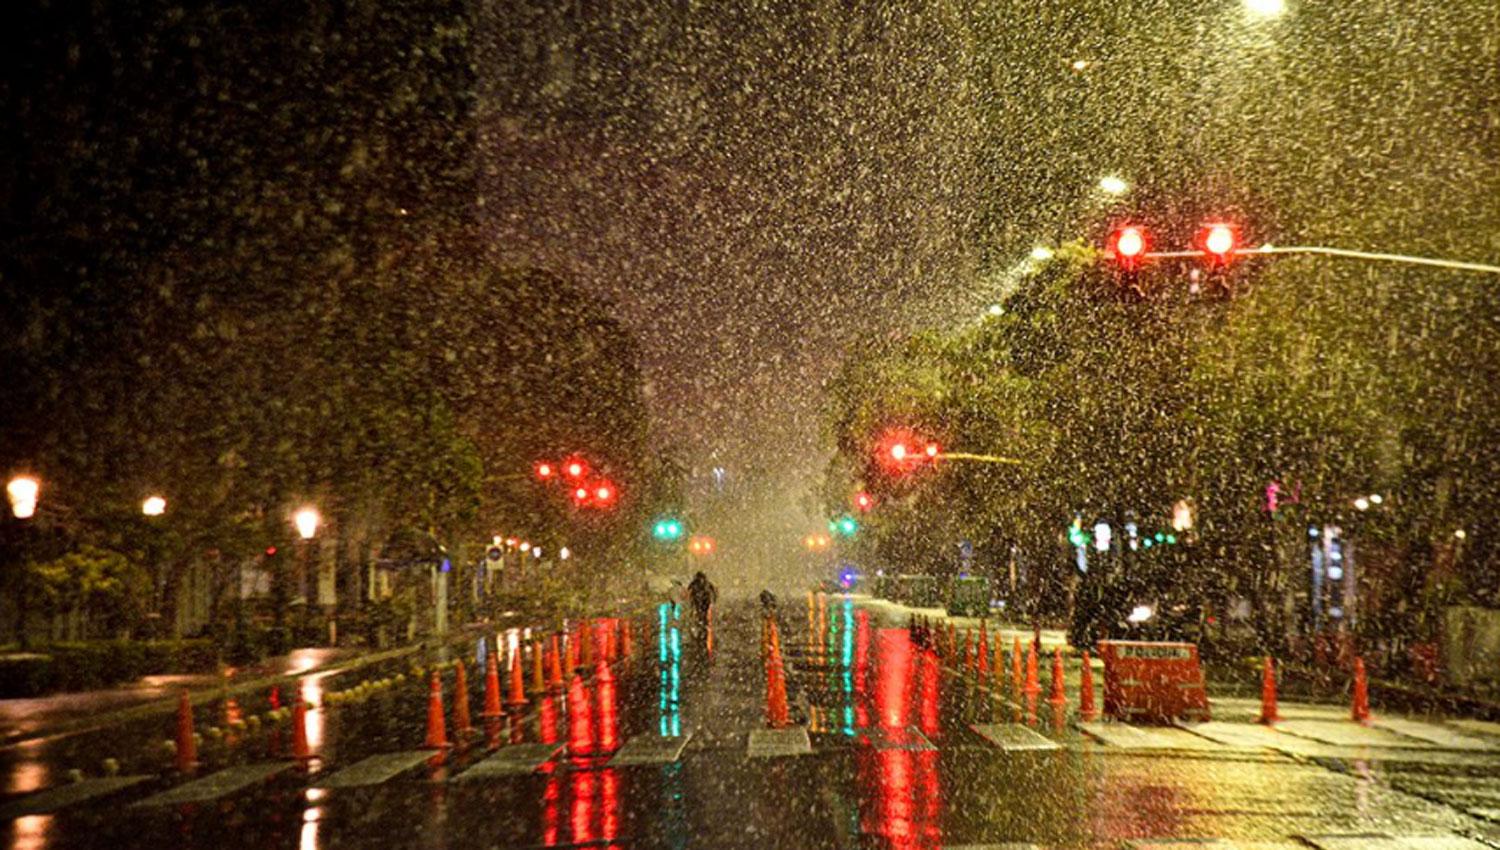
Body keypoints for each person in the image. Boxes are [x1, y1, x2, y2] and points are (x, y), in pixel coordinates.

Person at [687, 571, 717, 635]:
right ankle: (703, 622)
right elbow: (713, 591)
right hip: (704, 600)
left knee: (699, 611)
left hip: (698, 600)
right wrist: (713, 599)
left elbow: (689, 589)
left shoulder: (695, 582)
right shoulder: (706, 583)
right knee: (703, 612)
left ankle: (700, 621)